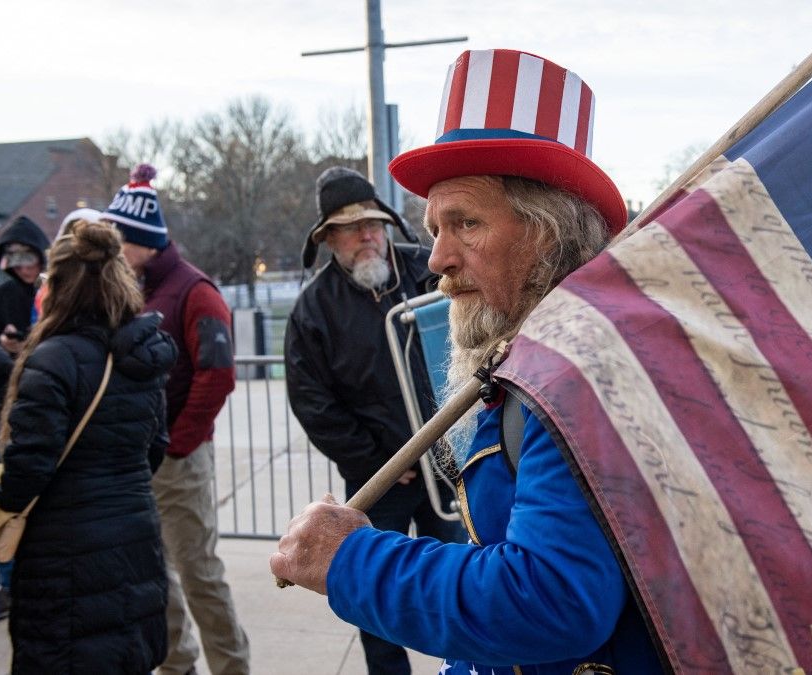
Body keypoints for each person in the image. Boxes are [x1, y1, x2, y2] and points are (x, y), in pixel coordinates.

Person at [271, 49, 664, 673]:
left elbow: (550, 600)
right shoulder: (542, 351)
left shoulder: (578, 370)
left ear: (548, 230)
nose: (437, 260)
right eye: (435, 229)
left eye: (467, 223)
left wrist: (351, 560)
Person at [284, 166, 466, 674]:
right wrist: (377, 460)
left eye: (372, 223)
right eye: (349, 228)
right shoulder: (314, 309)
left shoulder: (429, 268)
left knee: (460, 582)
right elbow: (313, 402)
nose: (365, 235)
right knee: (368, 591)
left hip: (449, 461)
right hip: (379, 477)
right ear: (328, 239)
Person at [0, 220, 177, 673]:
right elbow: (155, 446)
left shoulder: (52, 359)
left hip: (63, 553)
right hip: (135, 536)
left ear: (57, 285)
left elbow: (29, 466)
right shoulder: (141, 353)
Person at [102, 164, 250, 675]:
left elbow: (218, 374)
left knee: (199, 574)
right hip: (141, 457)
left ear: (143, 242)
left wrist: (178, 443)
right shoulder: (134, 287)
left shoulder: (195, 291)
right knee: (154, 573)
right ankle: (177, 664)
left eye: (120, 241)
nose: (114, 252)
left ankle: (231, 667)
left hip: (178, 460)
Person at [0, 215, 50, 358]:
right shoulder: (3, 294)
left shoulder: (58, 292)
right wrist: (2, 342)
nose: (24, 271)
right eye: (17, 266)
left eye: (29, 264)